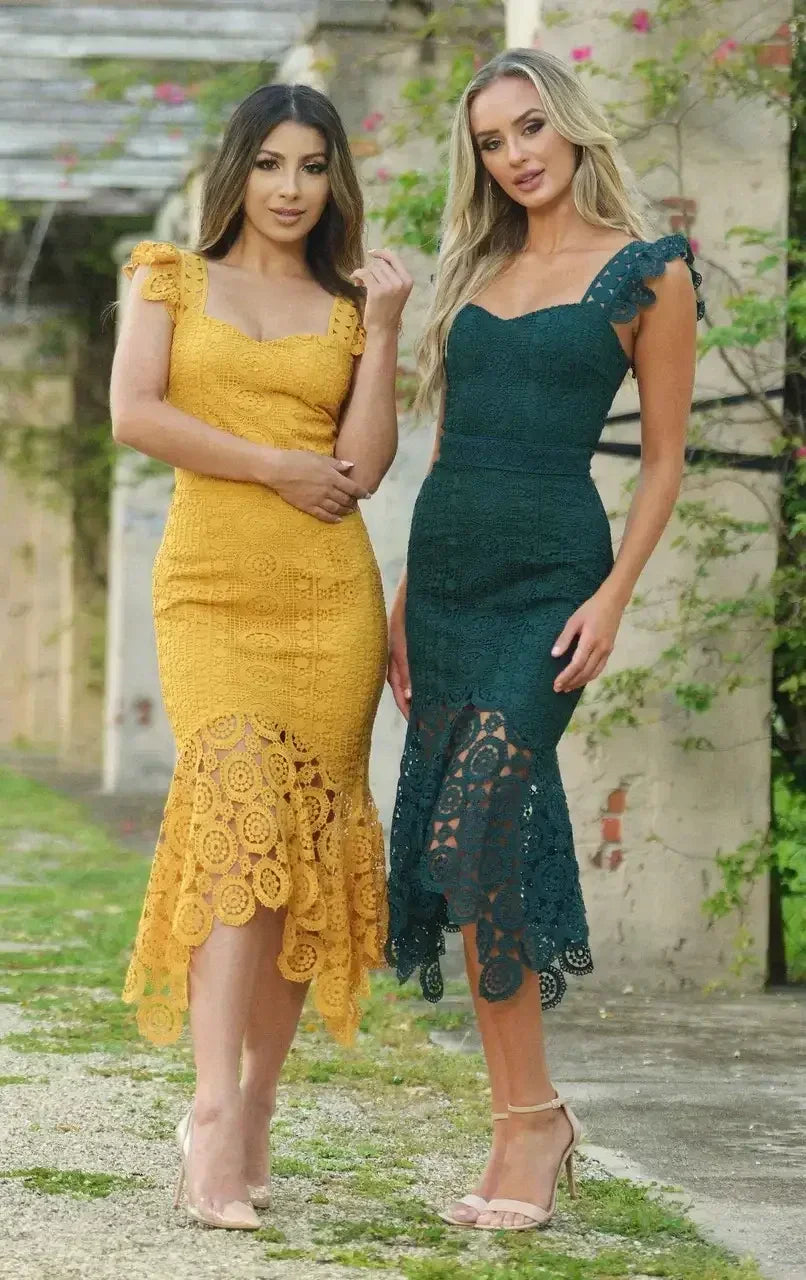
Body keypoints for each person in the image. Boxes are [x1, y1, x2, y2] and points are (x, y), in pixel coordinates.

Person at [385, 48, 702, 1232]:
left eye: (529, 128)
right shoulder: (477, 265)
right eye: (491, 140)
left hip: (551, 578)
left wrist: (613, 594)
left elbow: (663, 456)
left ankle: (534, 1122)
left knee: (473, 833)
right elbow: (447, 442)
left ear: (569, 127)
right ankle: (522, 1117)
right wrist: (404, 593)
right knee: (474, 852)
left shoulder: (644, 271)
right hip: (450, 571)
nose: (514, 154)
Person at [110, 82, 412, 1230]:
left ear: (335, 180)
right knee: (238, 807)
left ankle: (256, 1105)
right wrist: (273, 465)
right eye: (273, 163)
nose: (291, 189)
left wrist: (379, 334)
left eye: (313, 167)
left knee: (304, 852)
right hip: (211, 588)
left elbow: (367, 464)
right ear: (236, 168)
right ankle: (208, 1109)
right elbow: (136, 411)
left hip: (327, 594)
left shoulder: (347, 305)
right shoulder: (167, 277)